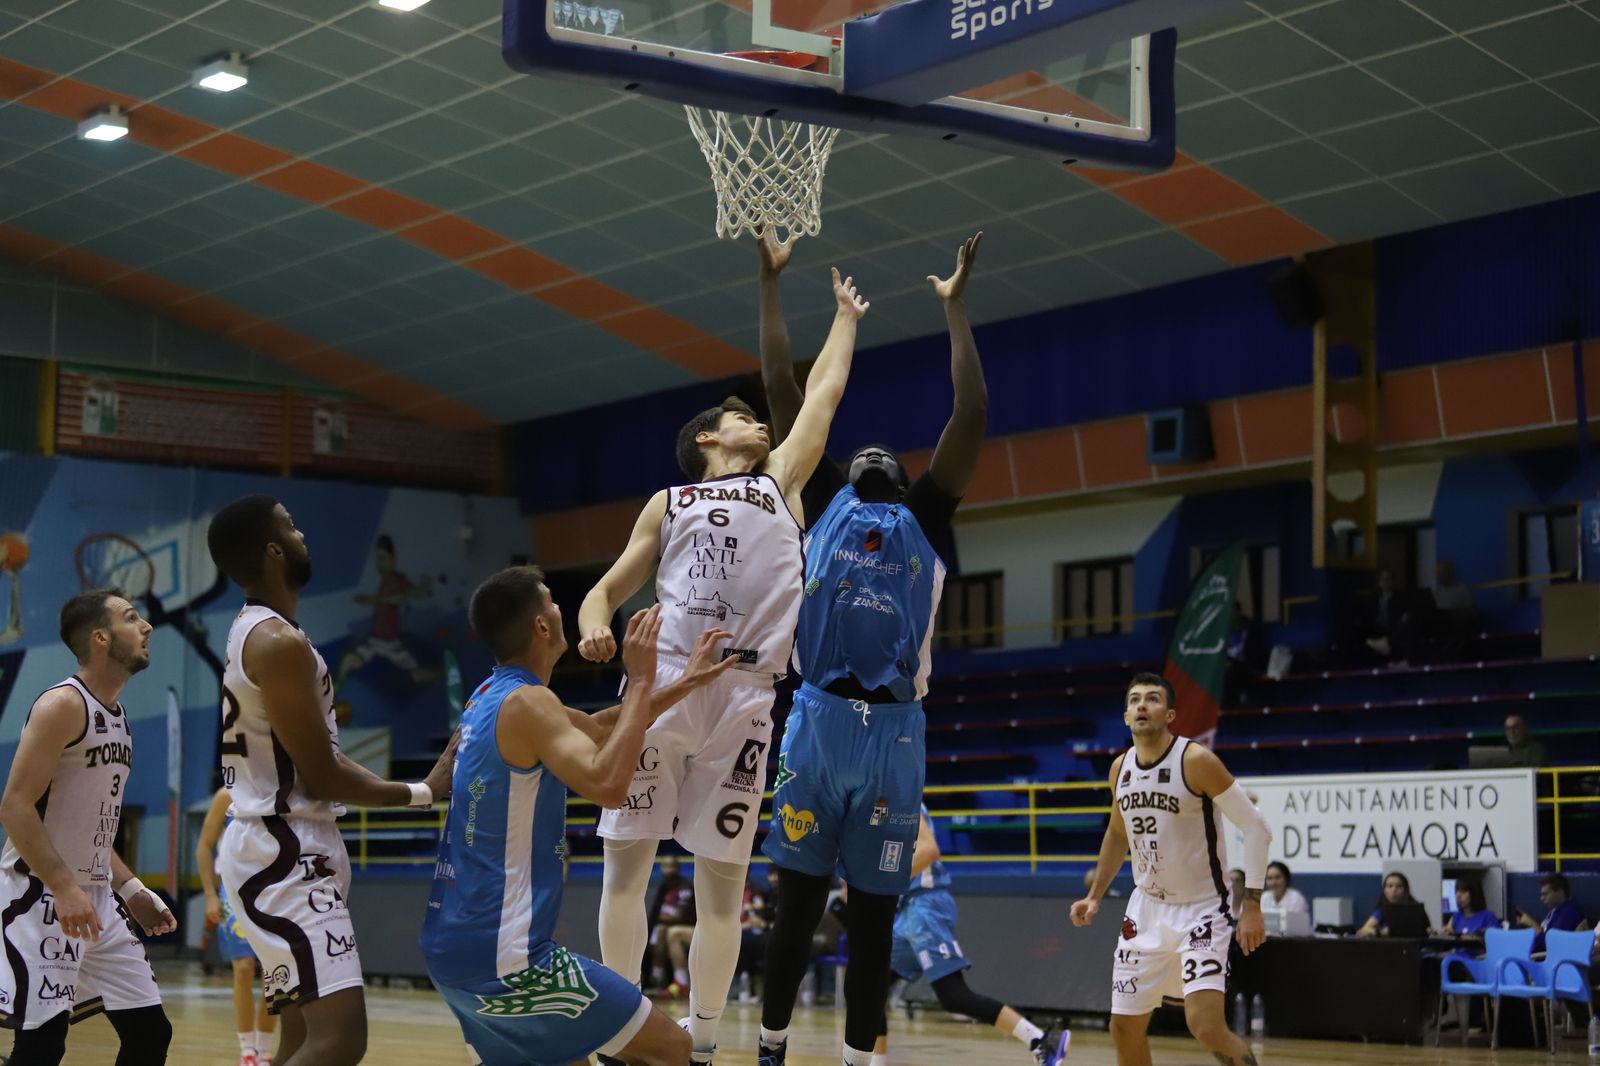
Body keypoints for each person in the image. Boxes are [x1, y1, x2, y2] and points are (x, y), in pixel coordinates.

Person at [577, 265, 869, 1064]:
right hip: (664, 691)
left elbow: (824, 397)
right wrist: (593, 625)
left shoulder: (784, 483)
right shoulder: (667, 502)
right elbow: (604, 591)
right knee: (625, 874)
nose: (761, 425)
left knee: (722, 892)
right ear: (708, 437)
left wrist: (845, 317)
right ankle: (620, 1031)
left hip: (745, 696)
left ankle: (701, 1043)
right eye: (743, 417)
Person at [753, 231, 986, 1066]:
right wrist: (770, 286)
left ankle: (859, 1059)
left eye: (891, 453)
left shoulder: (924, 516)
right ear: (845, 470)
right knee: (795, 904)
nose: (877, 451)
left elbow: (972, 414)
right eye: (863, 451)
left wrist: (954, 310)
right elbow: (783, 386)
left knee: (877, 918)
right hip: (816, 722)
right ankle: (772, 1047)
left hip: (892, 735)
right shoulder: (816, 501)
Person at [420, 568, 739, 1066]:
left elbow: (594, 728)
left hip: (450, 947)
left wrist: (688, 683)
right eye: (550, 602)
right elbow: (610, 786)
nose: (559, 608)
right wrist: (639, 678)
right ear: (542, 628)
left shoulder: (490, 695)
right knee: (672, 1050)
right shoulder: (529, 703)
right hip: (508, 958)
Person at [205, 495, 457, 1066]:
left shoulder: (261, 633)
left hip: (283, 846)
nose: (302, 535)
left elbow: (321, 761)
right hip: (285, 851)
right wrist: (424, 791)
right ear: (273, 550)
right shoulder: (277, 643)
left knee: (299, 1037)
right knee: (340, 1039)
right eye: (292, 527)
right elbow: (321, 775)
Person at [0, 590, 176, 1064]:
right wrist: (63, 886)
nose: (147, 627)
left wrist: (132, 887)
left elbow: (93, 825)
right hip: (39, 893)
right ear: (100, 637)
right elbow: (15, 806)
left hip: (95, 897)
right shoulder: (62, 705)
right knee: (41, 1045)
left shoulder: (117, 719)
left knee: (150, 1033)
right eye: (131, 617)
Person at [1072, 672, 1274, 1066]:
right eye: (1134, 700)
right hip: (1146, 909)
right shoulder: (1120, 769)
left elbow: (1256, 828)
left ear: (1171, 714)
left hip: (1202, 909)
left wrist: (1251, 906)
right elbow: (1117, 835)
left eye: (1152, 699)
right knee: (1123, 1026)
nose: (1142, 705)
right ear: (1126, 716)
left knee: (1205, 1024)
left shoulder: (1196, 760)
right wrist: (1094, 895)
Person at [876, 806, 1067, 1066]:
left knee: (953, 995)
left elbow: (929, 850)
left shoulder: (904, 797)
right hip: (909, 909)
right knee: (869, 984)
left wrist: (884, 879)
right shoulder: (878, 804)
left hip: (926, 908)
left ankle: (1040, 1039)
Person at [197, 786, 276, 1066]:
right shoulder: (225, 795)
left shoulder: (278, 790)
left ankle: (265, 1050)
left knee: (274, 973)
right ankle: (246, 1051)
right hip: (234, 891)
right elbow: (204, 845)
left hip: (273, 891)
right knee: (242, 969)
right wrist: (209, 894)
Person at [335, 533, 440, 690]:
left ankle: (442, 672)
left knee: (414, 676)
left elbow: (410, 593)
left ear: (393, 558)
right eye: (377, 559)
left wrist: (423, 590)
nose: (379, 563)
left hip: (391, 644)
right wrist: (380, 600)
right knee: (348, 660)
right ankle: (336, 686)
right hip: (375, 641)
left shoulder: (398, 579)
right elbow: (369, 600)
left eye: (382, 558)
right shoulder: (384, 581)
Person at [645, 857, 695, 994]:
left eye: (671, 867)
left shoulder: (685, 888)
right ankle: (656, 979)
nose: (668, 870)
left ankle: (681, 982)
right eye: (665, 867)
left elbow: (679, 917)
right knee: (660, 931)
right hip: (664, 928)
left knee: (669, 932)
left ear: (677, 869)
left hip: (690, 927)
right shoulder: (663, 889)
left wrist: (655, 920)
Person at [1515, 872, 1587, 953]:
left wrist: (1532, 924)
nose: (1542, 898)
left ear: (1560, 891)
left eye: (1545, 894)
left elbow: (1549, 943)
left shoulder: (1568, 913)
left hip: (1544, 959)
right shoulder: (1555, 911)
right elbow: (1545, 934)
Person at [1356, 872, 1430, 937]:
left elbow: (1427, 930)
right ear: (1384, 890)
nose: (1394, 890)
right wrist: (1379, 932)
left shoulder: (1416, 910)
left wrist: (1429, 931)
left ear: (1406, 890)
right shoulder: (1381, 911)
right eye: (1390, 886)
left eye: (1399, 886)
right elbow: (1363, 930)